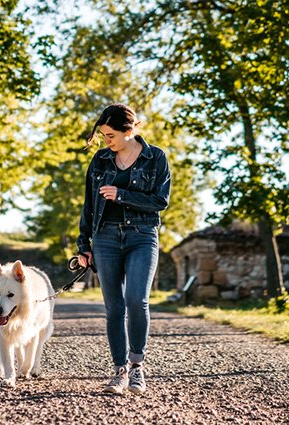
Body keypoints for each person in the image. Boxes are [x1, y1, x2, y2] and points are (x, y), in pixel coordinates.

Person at [76, 103, 171, 395]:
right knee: (114, 307)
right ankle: (119, 371)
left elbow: (160, 201)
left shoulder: (155, 158)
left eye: (111, 135)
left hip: (142, 236)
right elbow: (89, 205)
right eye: (103, 135)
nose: (107, 140)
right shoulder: (101, 160)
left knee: (136, 300)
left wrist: (122, 195)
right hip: (104, 238)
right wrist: (84, 245)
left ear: (129, 131)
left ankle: (137, 366)